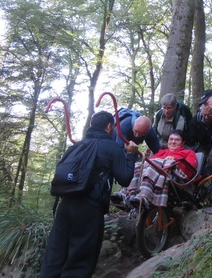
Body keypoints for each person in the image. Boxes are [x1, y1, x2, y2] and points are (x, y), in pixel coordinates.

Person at [39, 111, 138, 277]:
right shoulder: (112, 147)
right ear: (108, 127)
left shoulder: (78, 146)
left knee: (53, 259)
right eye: (113, 127)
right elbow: (125, 179)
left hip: (65, 206)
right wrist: (130, 155)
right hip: (89, 208)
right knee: (80, 262)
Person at [123, 130, 198, 209]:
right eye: (171, 139)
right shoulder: (162, 152)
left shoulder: (188, 152)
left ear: (182, 143)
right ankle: (127, 194)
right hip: (158, 173)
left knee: (156, 163)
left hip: (175, 176)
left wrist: (174, 161)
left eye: (177, 140)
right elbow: (148, 163)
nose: (173, 142)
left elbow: (191, 169)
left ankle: (144, 195)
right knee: (139, 165)